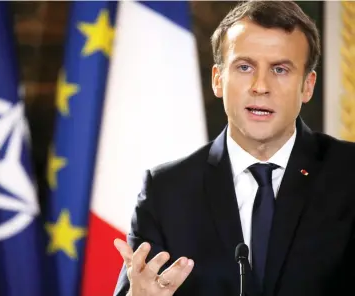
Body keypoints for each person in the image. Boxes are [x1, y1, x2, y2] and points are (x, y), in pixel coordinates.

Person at [113, 1, 355, 296]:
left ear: (307, 86)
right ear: (218, 79)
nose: (260, 86)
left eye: (280, 69)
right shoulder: (166, 192)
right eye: (244, 67)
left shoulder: (348, 174)